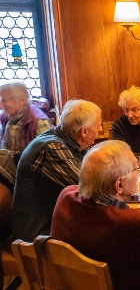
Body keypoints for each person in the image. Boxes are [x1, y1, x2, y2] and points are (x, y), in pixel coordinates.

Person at [51, 140, 140, 290]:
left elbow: (113, 213)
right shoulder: (132, 224)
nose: (139, 172)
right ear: (119, 185)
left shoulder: (66, 196)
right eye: (137, 168)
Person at [12, 99, 102, 242]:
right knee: (109, 237)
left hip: (57, 222)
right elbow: (89, 190)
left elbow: (101, 168)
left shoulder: (70, 138)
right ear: (84, 131)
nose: (101, 130)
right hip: (38, 235)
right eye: (98, 126)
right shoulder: (52, 148)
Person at [0, 80, 51, 164]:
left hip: (27, 171)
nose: (1, 104)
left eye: (4, 100)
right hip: (9, 167)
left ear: (22, 100)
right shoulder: (6, 116)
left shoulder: (39, 122)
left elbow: (45, 158)